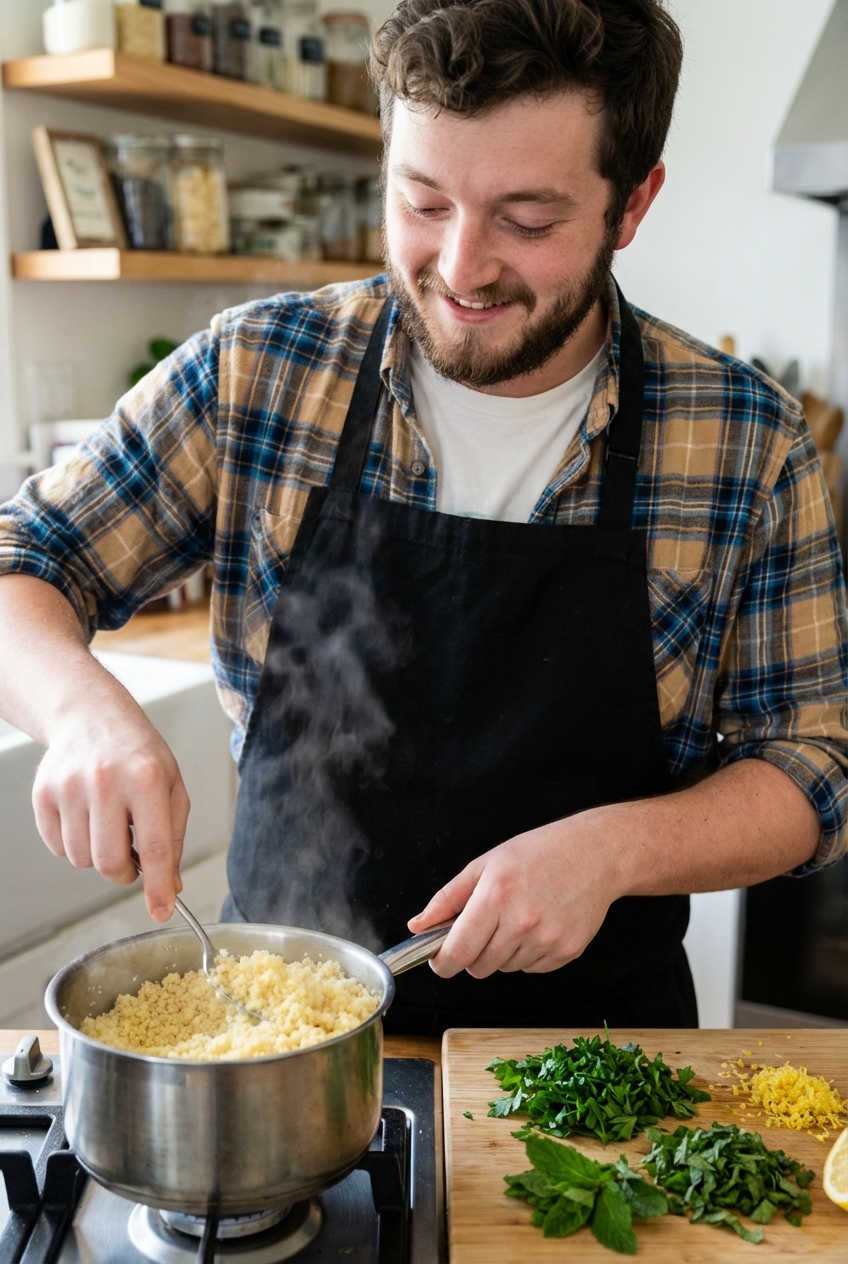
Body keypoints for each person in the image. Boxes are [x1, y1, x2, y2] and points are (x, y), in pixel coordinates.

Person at [0, 0, 845, 1035]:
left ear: (631, 206)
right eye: (422, 201)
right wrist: (83, 713)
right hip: (275, 1037)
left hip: (599, 1067)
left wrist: (612, 849)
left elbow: (813, 762)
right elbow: (21, 557)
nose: (458, 267)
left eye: (526, 220)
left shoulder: (743, 441)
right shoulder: (259, 372)